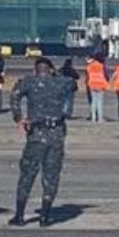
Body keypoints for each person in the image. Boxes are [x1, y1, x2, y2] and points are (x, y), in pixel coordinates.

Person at [8, 57, 75, 227]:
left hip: (36, 134)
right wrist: (58, 74)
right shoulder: (62, 83)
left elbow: (14, 95)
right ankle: (45, 215)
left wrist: (18, 117)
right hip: (56, 134)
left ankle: (20, 215)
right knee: (51, 175)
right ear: (50, 69)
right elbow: (74, 83)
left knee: (27, 173)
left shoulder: (29, 82)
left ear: (35, 70)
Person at [85, 56, 109, 122]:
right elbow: (106, 75)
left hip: (92, 83)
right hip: (100, 84)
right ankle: (100, 118)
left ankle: (93, 117)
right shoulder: (102, 66)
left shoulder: (89, 66)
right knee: (99, 101)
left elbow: (87, 74)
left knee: (93, 101)